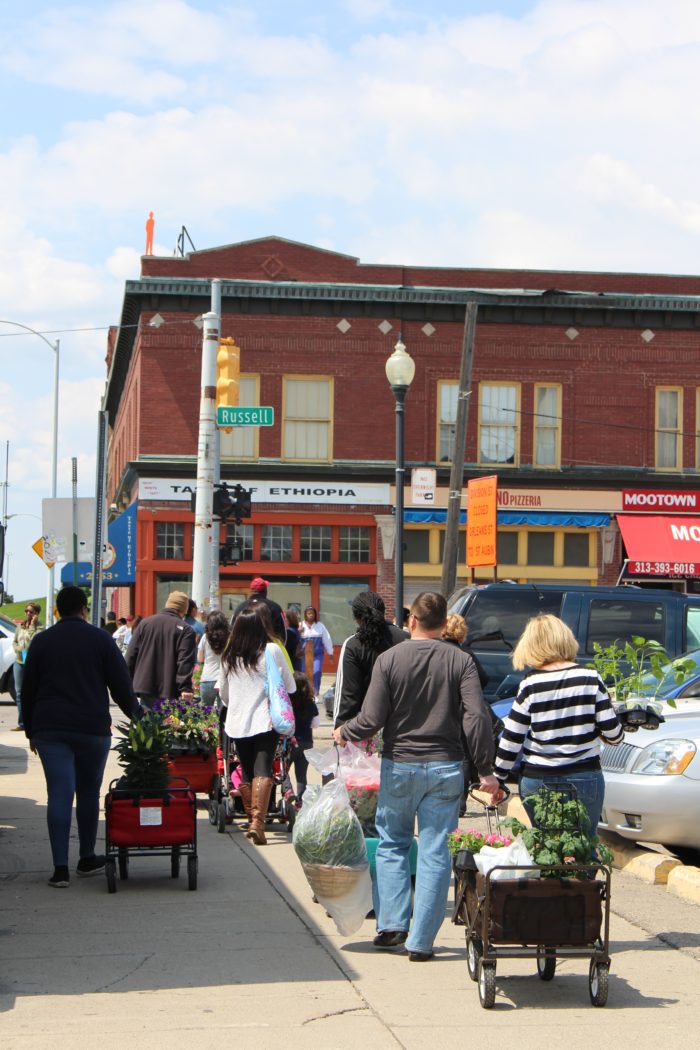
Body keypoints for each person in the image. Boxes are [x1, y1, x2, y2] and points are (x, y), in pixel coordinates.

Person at [333, 591, 499, 961]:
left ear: (411, 621)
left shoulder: (390, 659)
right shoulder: (460, 660)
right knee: (435, 851)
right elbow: (476, 717)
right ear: (445, 623)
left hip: (400, 764)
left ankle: (392, 924)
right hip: (446, 766)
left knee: (393, 842)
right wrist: (485, 769)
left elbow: (371, 718)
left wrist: (346, 731)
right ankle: (421, 941)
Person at [21, 586, 141, 888]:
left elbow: (28, 690)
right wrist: (139, 717)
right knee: (88, 794)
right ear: (84, 609)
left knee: (59, 795)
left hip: (50, 728)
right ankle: (86, 858)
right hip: (91, 728)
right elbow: (121, 686)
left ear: (58, 610)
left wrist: (31, 729)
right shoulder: (100, 639)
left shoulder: (42, 641)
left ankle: (60, 869)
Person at [493, 613, 624, 835]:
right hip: (583, 774)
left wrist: (498, 777)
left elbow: (512, 739)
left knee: (547, 843)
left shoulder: (530, 684)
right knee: (583, 843)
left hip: (537, 777)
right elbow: (613, 733)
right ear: (565, 639)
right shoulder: (590, 678)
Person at [218, 602, 296, 845]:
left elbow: (224, 695)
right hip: (265, 720)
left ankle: (253, 819)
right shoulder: (272, 650)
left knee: (247, 771)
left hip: (237, 722)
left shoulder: (229, 656)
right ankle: (257, 824)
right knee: (264, 769)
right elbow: (290, 686)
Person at [442, 613, 500, 814]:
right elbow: (483, 679)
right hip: (463, 709)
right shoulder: (466, 654)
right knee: (464, 756)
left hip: (441, 711)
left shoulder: (436, 651)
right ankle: (459, 803)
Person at [334, 590, 407, 728]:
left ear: (356, 618)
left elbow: (348, 697)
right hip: (404, 727)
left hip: (367, 728)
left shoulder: (353, 645)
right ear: (383, 612)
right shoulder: (406, 639)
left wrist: (341, 730)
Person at [125, 591, 197, 709]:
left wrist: (126, 681)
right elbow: (184, 660)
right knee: (167, 719)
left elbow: (131, 655)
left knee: (146, 718)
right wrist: (185, 687)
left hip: (144, 684)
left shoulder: (145, 623)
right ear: (184, 610)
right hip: (169, 687)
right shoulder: (185, 629)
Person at [11, 602, 42, 731]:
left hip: (31, 663)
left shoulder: (40, 627)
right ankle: (22, 723)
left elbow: (33, 641)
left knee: (32, 692)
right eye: (26, 611)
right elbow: (14, 641)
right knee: (19, 693)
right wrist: (18, 649)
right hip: (19, 661)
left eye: (31, 612)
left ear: (36, 614)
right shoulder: (20, 626)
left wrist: (32, 626)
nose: (28, 613)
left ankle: (34, 721)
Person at [290, 671, 319, 800]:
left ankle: (288, 790)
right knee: (301, 775)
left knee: (282, 770)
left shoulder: (288, 703)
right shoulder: (311, 704)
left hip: (291, 741)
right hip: (307, 742)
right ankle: (300, 801)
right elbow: (315, 724)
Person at [233, 577, 286, 642]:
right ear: (265, 591)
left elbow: (232, 630)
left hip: (245, 647)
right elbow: (282, 633)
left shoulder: (240, 607)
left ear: (251, 591)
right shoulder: (275, 607)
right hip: (268, 646)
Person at [299, 606, 333, 697]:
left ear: (315, 615)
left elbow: (327, 639)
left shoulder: (320, 626)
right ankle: (304, 694)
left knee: (317, 672)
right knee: (303, 674)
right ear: (305, 615)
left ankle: (315, 693)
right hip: (304, 656)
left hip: (317, 655)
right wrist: (299, 632)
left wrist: (330, 652)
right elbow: (295, 639)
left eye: (312, 613)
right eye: (309, 613)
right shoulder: (300, 625)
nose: (311, 615)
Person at [197, 611, 229, 706]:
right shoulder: (229, 638)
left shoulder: (205, 637)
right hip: (224, 679)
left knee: (205, 712)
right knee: (223, 712)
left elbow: (200, 659)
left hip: (207, 678)